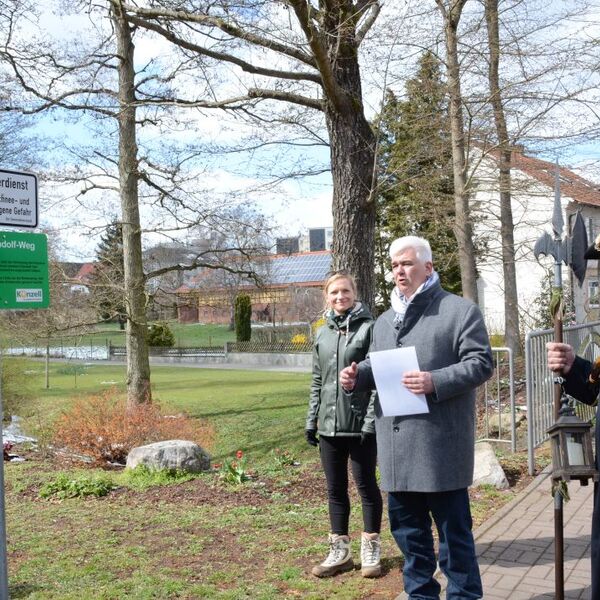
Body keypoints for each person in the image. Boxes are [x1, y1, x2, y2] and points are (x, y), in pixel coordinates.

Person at [340, 236, 493, 599]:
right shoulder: (383, 321)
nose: (399, 271)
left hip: (440, 452)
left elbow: (481, 363)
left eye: (407, 264)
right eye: (394, 265)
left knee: (455, 545)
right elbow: (379, 365)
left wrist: (433, 381)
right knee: (412, 547)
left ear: (428, 267)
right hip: (398, 454)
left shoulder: (459, 311)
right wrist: (357, 376)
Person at [305, 270, 383, 578]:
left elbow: (377, 377)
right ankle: (340, 551)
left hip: (360, 426)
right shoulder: (321, 332)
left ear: (355, 293)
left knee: (366, 487)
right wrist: (312, 420)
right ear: (327, 296)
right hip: (329, 427)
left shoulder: (369, 329)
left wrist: (370, 421)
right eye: (334, 293)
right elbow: (317, 380)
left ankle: (371, 547)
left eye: (345, 292)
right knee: (335, 489)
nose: (340, 297)